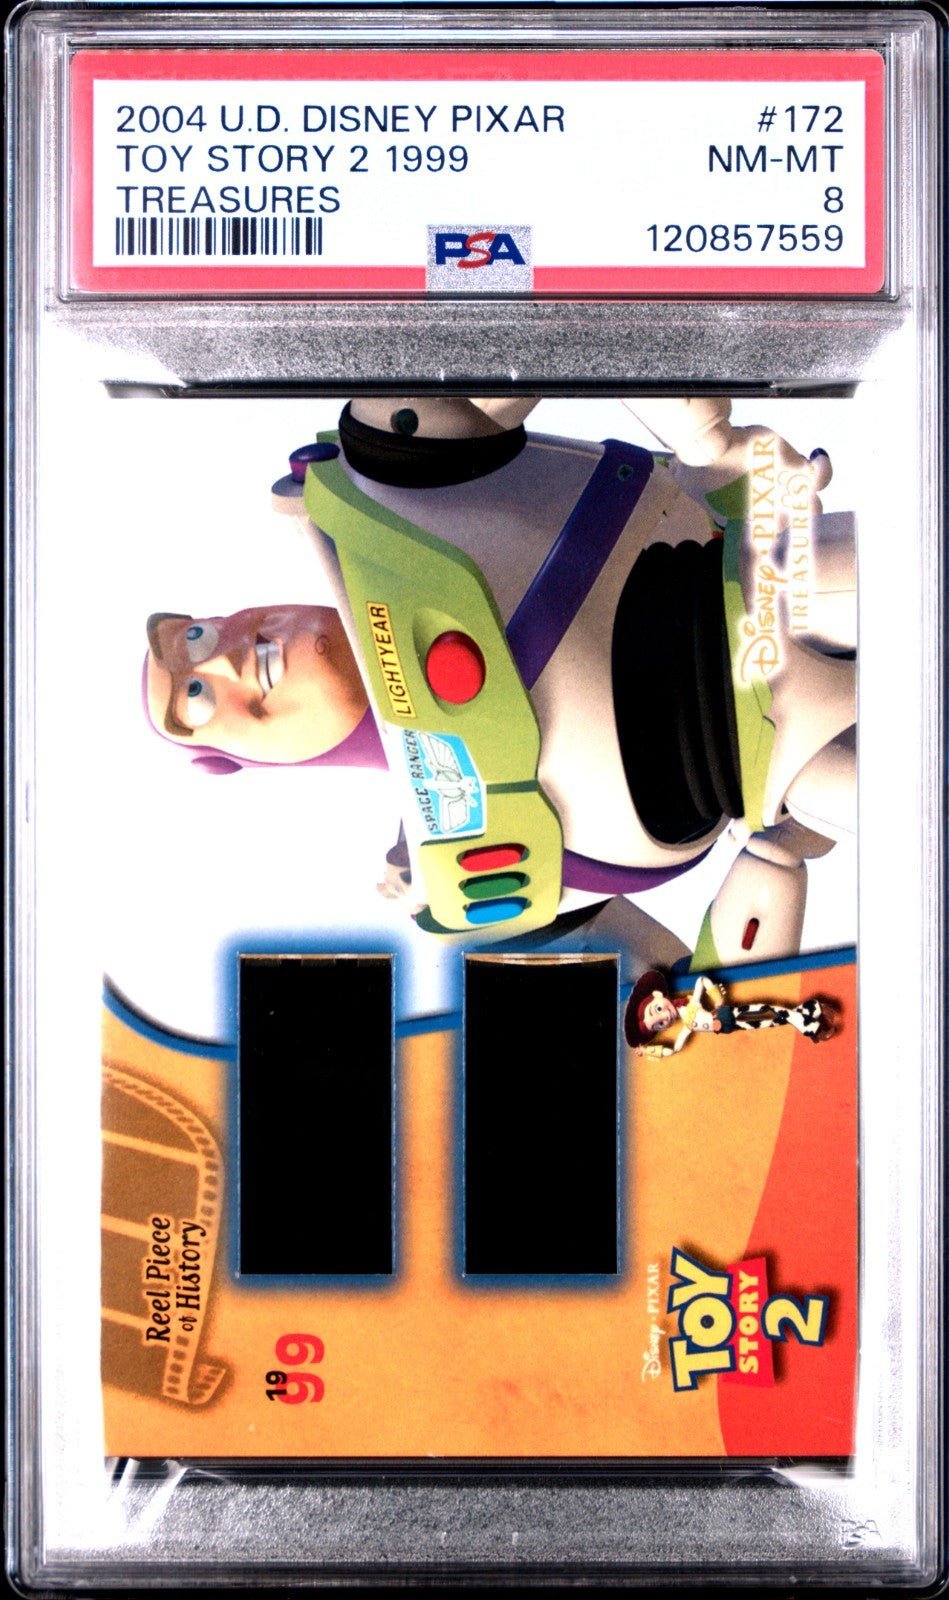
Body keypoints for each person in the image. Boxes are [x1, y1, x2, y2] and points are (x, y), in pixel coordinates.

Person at [143, 395, 856, 966]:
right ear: (237, 760)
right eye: (195, 698)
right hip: (797, 772)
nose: (220, 661)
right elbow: (676, 1024)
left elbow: (546, 332)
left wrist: (712, 448)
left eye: (195, 636)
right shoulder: (460, 884)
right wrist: (773, 868)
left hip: (773, 591)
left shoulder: (383, 471)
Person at [624, 968, 841, 1058]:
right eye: (660, 1024)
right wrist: (648, 1050)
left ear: (657, 995)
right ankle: (812, 1009)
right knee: (770, 1021)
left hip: (728, 1014)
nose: (664, 1017)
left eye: (657, 1010)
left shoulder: (692, 1004)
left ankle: (809, 1025)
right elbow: (674, 1049)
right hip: (730, 1026)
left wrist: (717, 999)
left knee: (769, 1011)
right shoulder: (687, 1027)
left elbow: (701, 981)